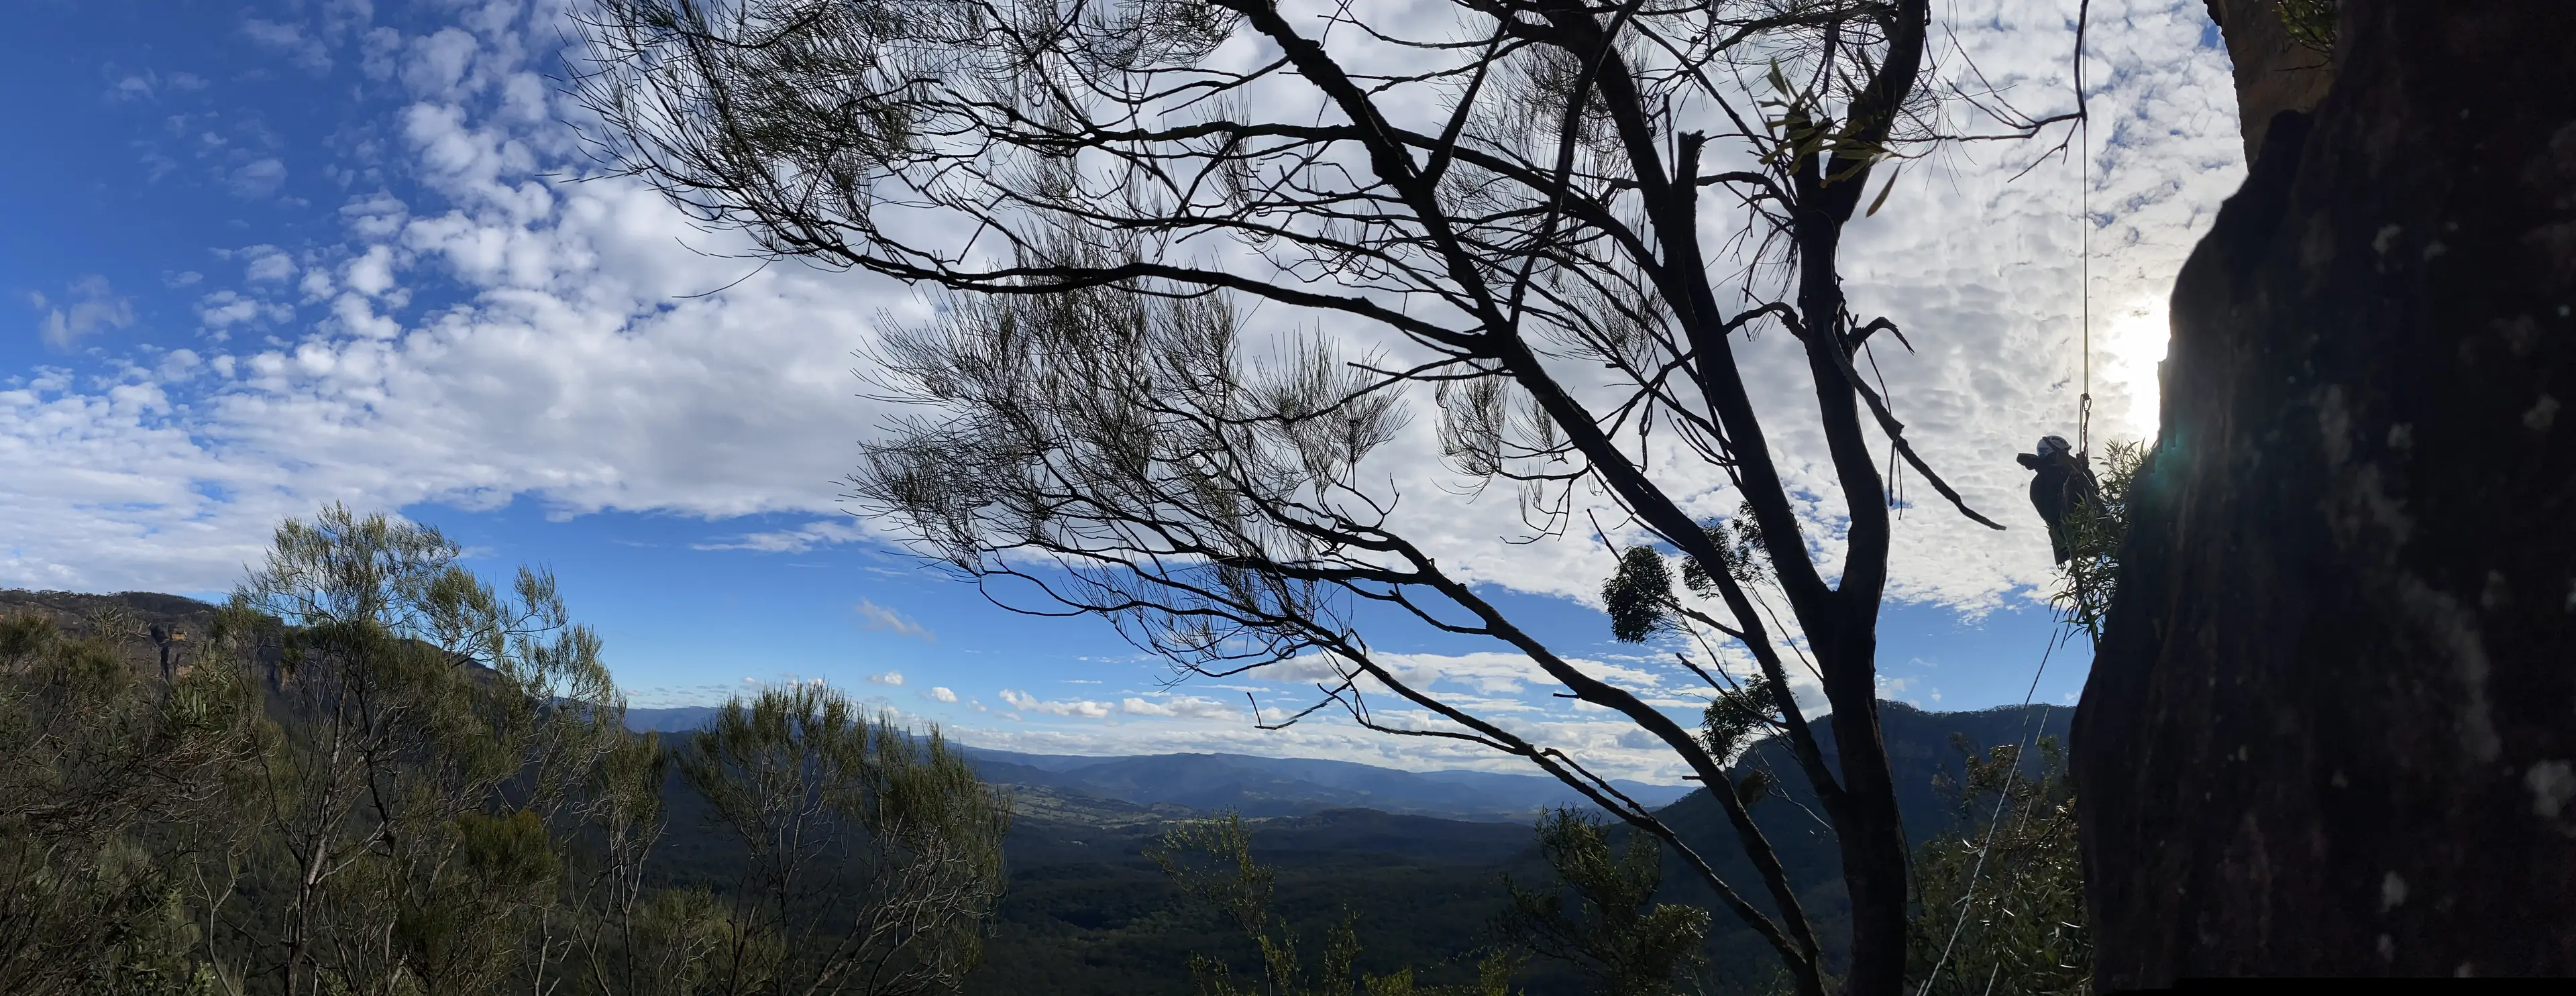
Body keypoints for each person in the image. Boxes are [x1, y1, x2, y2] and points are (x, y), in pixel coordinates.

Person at [2016, 435, 2100, 564]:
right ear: (2054, 455)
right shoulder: (2040, 483)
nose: (2068, 456)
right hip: (2070, 541)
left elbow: (2094, 494)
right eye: (2064, 453)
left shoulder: (2069, 474)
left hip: (2089, 535)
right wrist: (2078, 474)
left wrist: (2084, 471)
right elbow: (2053, 515)